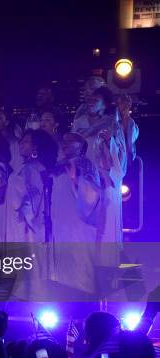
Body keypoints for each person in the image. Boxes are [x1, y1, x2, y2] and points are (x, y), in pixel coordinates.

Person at [72, 87, 127, 265]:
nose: (90, 101)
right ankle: (85, 270)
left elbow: (121, 152)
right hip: (84, 179)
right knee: (84, 224)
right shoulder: (79, 122)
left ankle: (108, 269)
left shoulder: (111, 123)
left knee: (105, 224)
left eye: (96, 99)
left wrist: (109, 141)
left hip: (105, 179)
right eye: (89, 98)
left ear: (104, 104)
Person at [50, 133, 102, 295]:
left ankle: (83, 304)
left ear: (81, 146)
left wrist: (76, 180)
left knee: (79, 264)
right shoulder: (58, 165)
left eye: (70, 141)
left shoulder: (86, 164)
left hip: (79, 225)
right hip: (60, 224)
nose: (65, 143)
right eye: (64, 140)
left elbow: (93, 193)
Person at [5, 129, 57, 243]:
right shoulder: (25, 167)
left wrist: (23, 210)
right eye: (21, 141)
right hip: (16, 220)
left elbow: (35, 198)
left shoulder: (34, 169)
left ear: (35, 146)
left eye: (26, 141)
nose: (21, 143)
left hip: (27, 224)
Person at [116, 94, 140, 163]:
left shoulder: (130, 122)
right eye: (122, 103)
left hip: (127, 157)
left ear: (130, 105)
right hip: (118, 156)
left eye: (127, 103)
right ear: (118, 105)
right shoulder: (114, 120)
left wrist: (129, 156)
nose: (125, 105)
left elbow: (130, 142)